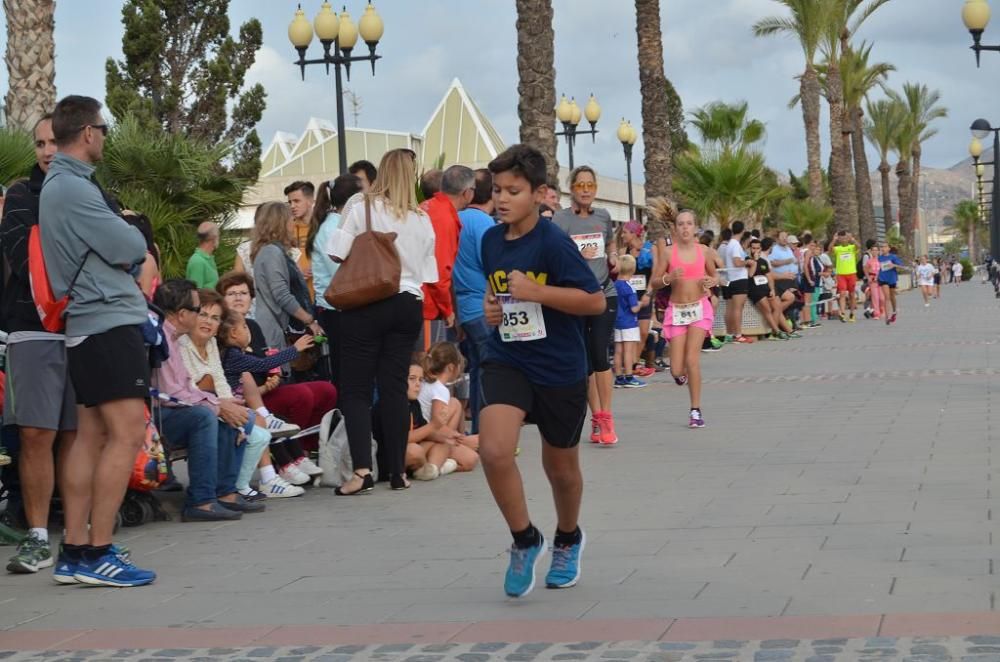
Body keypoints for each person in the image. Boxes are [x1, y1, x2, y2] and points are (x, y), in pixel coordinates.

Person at [479, 144, 604, 598]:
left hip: (558, 366)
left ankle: (567, 538)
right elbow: (496, 296)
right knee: (493, 450)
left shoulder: (554, 243)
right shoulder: (491, 240)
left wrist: (536, 291)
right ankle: (524, 538)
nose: (503, 198)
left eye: (514, 190)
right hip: (507, 357)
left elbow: (592, 301)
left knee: (560, 468)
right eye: (497, 190)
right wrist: (491, 309)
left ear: (539, 194)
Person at [39, 95, 155, 587]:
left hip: (87, 325)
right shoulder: (73, 188)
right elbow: (131, 246)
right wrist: (128, 229)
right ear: (87, 132)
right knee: (127, 432)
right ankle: (99, 552)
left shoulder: (59, 185)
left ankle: (77, 552)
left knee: (89, 437)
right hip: (106, 322)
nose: (105, 136)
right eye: (103, 129)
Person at [329, 148, 437, 495]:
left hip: (368, 302)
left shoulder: (362, 206)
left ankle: (362, 470)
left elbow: (336, 251)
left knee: (357, 389)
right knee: (394, 388)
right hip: (408, 304)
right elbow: (428, 272)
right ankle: (397, 471)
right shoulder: (421, 218)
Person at [1, 113, 73, 575]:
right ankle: (37, 536)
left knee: (76, 436)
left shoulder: (92, 195)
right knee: (34, 435)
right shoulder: (20, 194)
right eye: (41, 143)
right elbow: (19, 254)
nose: (48, 150)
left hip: (86, 327)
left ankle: (84, 537)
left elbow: (131, 243)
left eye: (55, 141)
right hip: (31, 327)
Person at [153, 279, 264, 522]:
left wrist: (223, 406)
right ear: (183, 314)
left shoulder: (173, 336)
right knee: (205, 416)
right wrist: (217, 406)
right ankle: (201, 501)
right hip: (157, 416)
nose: (204, 319)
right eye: (198, 311)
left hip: (172, 408)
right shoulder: (163, 338)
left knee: (225, 414)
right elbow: (173, 394)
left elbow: (193, 387)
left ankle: (224, 492)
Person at [216, 271, 336, 479]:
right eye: (231, 293)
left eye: (243, 293)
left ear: (251, 298)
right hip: (246, 398)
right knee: (302, 396)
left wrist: (274, 376)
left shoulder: (252, 326)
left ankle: (304, 451)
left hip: (265, 390)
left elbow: (266, 362)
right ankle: (285, 460)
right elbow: (260, 365)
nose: (238, 297)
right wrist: (293, 350)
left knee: (326, 389)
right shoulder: (223, 338)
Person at [177, 290, 275, 501]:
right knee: (234, 423)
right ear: (192, 315)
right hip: (189, 408)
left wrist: (230, 407)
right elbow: (191, 387)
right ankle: (226, 490)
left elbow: (219, 381)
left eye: (215, 318)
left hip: (212, 403)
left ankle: (234, 487)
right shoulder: (182, 343)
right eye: (203, 314)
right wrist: (225, 408)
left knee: (248, 424)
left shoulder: (211, 344)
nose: (208, 322)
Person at [552, 166, 619, 445]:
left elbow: (611, 244)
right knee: (587, 361)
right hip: (577, 298)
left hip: (605, 292)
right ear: (572, 189)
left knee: (600, 354)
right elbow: (554, 255)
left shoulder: (604, 216)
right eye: (580, 185)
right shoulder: (560, 219)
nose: (585, 190)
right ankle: (596, 416)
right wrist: (579, 252)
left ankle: (607, 416)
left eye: (590, 185)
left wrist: (614, 255)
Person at [656, 206, 719, 429]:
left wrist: (713, 281)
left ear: (696, 228)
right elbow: (654, 281)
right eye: (681, 224)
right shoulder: (667, 252)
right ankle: (681, 376)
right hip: (677, 310)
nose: (685, 227)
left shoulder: (704, 251)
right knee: (676, 370)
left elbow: (715, 274)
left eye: (689, 223)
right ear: (675, 228)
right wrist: (668, 277)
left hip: (699, 309)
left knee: (692, 359)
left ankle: (695, 410)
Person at [308, 174, 363, 388]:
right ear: (353, 201)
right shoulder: (333, 229)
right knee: (345, 372)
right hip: (336, 309)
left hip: (339, 308)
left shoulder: (335, 225)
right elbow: (341, 272)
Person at [454, 168, 496, 435]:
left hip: (461, 307)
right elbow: (493, 265)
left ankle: (480, 431)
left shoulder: (455, 219)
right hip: (482, 306)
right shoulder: (484, 224)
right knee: (492, 370)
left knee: (479, 369)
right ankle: (488, 431)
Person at [250, 201, 323, 350]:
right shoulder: (271, 252)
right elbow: (281, 294)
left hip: (276, 325)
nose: (293, 223)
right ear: (280, 223)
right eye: (291, 219)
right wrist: (309, 320)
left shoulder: (272, 250)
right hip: (272, 328)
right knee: (278, 372)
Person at [422, 165, 474, 336]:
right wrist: (448, 310)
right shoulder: (445, 219)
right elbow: (439, 272)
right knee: (429, 361)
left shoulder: (426, 207)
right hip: (428, 306)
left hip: (414, 299)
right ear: (467, 193)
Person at [414, 342, 479, 480]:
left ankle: (440, 462)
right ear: (451, 367)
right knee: (471, 460)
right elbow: (437, 424)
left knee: (455, 403)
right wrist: (461, 440)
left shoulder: (426, 383)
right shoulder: (440, 390)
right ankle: (436, 466)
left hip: (427, 435)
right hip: (428, 437)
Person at [612, 254, 649, 392]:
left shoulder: (615, 284)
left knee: (618, 351)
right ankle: (629, 376)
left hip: (617, 321)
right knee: (628, 350)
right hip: (629, 322)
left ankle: (619, 377)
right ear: (633, 270)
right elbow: (634, 308)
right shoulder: (630, 287)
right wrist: (641, 303)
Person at [720, 220, 752, 343]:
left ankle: (730, 333)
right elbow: (737, 262)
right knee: (738, 308)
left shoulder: (730, 244)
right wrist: (748, 262)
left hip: (731, 278)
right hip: (738, 278)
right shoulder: (735, 245)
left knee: (731, 308)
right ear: (743, 230)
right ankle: (738, 334)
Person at [284, 181, 315, 295]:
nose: (292, 206)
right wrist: (296, 273)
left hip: (324, 297)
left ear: (310, 201)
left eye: (297, 201)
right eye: (290, 202)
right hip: (297, 299)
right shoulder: (286, 230)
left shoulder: (324, 226)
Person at [769, 230, 799, 324]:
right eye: (782, 237)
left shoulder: (788, 248)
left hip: (791, 278)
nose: (785, 239)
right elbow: (772, 263)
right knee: (789, 299)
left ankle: (790, 323)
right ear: (777, 238)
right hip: (780, 279)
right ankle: (776, 317)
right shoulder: (774, 249)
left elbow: (792, 260)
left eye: (786, 237)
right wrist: (785, 262)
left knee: (793, 301)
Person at [831, 230, 859, 322]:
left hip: (851, 274)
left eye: (845, 238)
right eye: (841, 238)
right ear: (839, 239)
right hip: (841, 274)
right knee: (842, 294)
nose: (843, 240)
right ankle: (842, 313)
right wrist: (834, 240)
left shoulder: (851, 247)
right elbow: (830, 249)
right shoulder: (838, 248)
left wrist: (853, 239)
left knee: (851, 294)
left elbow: (859, 246)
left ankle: (851, 313)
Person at [185, 221, 220, 289]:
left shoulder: (208, 258)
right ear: (214, 238)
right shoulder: (197, 261)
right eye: (219, 235)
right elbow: (196, 292)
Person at [877, 243, 904, 325]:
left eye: (885, 246)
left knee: (892, 297)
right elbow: (876, 268)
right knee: (887, 297)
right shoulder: (879, 258)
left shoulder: (893, 257)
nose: (883, 248)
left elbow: (901, 266)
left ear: (889, 248)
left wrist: (894, 265)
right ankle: (887, 317)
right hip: (883, 278)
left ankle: (894, 310)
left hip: (892, 278)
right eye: (882, 246)